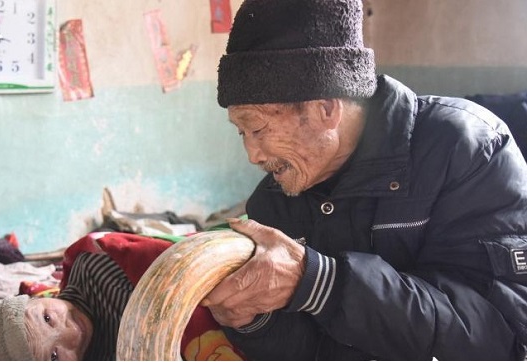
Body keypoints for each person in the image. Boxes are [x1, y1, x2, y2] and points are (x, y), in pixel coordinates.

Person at [201, 0, 527, 360]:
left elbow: (499, 337)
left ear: (326, 109)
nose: (254, 155)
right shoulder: (273, 202)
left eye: (259, 128)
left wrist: (320, 282)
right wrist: (251, 321)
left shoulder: (466, 148)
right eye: (241, 133)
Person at [0, 232, 246, 361]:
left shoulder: (97, 267)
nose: (71, 333)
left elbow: (179, 265)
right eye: (53, 357)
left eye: (48, 318)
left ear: (34, 301)